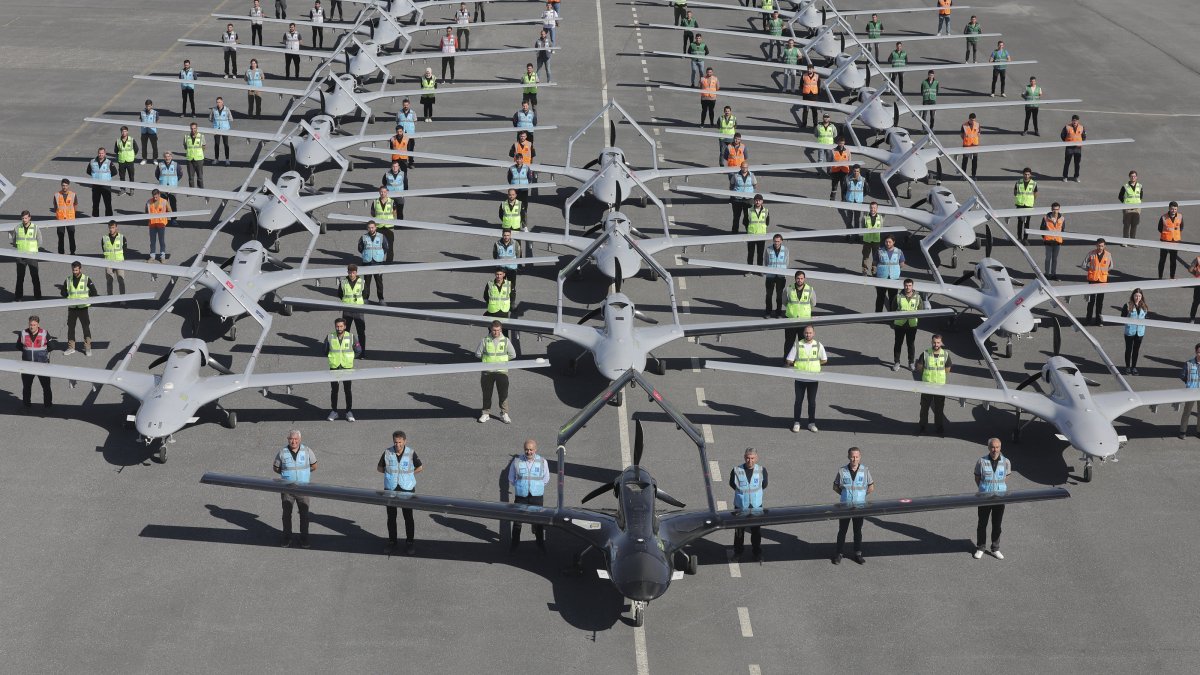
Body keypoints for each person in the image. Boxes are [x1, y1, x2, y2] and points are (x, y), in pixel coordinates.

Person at [377, 430, 423, 554]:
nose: (397, 445)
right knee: (391, 517)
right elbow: (380, 468)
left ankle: (410, 543)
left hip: (407, 489)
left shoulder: (411, 453)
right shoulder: (387, 452)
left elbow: (420, 467)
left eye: (400, 442)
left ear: (405, 441)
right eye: (395, 442)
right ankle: (392, 541)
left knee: (408, 517)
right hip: (391, 489)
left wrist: (408, 476)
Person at [273, 429, 317, 548]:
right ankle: (287, 538)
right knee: (286, 515)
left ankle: (304, 538)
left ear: (300, 440)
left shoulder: (307, 451)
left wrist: (304, 474)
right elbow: (276, 468)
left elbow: (314, 466)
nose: (293, 441)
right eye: (291, 439)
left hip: (304, 490)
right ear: (288, 440)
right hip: (287, 490)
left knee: (304, 515)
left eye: (296, 439)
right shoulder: (282, 452)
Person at [831, 447, 873, 565]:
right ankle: (839, 554)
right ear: (848, 457)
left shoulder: (865, 471)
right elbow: (835, 487)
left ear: (860, 457)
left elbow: (871, 487)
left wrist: (861, 497)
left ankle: (858, 553)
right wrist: (845, 496)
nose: (854, 459)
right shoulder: (842, 471)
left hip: (859, 507)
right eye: (852, 456)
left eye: (857, 457)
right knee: (842, 531)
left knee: (857, 531)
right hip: (845, 507)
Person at [508, 439, 550, 553]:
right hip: (521, 496)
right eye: (526, 449)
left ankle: (540, 544)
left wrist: (536, 487)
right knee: (517, 522)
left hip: (536, 496)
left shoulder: (542, 461)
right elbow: (511, 478)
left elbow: (546, 479)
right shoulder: (517, 461)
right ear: (524, 449)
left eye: (531, 449)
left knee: (539, 521)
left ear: (535, 449)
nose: (529, 452)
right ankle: (514, 544)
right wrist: (521, 486)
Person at [973, 437, 1009, 560]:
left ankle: (995, 548)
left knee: (997, 525)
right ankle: (980, 548)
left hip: (999, 498)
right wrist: (984, 489)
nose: (995, 449)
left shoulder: (1006, 462)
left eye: (997, 447)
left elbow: (1005, 478)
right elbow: (977, 477)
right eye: (993, 447)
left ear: (1000, 448)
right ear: (989, 448)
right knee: (982, 524)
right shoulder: (981, 461)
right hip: (984, 498)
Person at [786, 325, 827, 433]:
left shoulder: (818, 345)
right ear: (803, 333)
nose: (808, 334)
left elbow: (824, 360)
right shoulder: (798, 345)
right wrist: (797, 365)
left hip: (813, 379)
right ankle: (796, 422)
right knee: (798, 401)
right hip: (800, 378)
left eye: (810, 333)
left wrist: (814, 365)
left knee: (812, 402)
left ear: (814, 333)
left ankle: (811, 423)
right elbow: (789, 360)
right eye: (806, 333)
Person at [730, 448, 767, 561]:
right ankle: (738, 553)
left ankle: (757, 553)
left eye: (752, 458)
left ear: (756, 458)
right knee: (739, 532)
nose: (749, 460)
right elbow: (732, 484)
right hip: (741, 507)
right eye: (747, 458)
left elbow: (764, 484)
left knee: (756, 532)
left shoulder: (761, 470)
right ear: (744, 457)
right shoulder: (736, 470)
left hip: (756, 507)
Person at [476, 320, 515, 423]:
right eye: (494, 330)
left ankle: (504, 413)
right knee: (486, 394)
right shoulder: (484, 340)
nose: (496, 332)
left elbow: (513, 354)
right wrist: (487, 360)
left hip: (502, 372)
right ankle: (485, 413)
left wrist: (503, 362)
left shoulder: (506, 341)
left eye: (498, 330)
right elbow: (478, 354)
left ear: (501, 330)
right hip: (487, 372)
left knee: (503, 394)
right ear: (490, 329)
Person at [323, 317, 361, 422]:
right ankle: (334, 411)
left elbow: (358, 350)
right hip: (334, 367)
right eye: (337, 326)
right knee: (334, 390)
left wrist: (350, 358)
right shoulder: (330, 337)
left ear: (345, 326)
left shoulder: (351, 337)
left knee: (347, 390)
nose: (339, 328)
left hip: (347, 368)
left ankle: (349, 412)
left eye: (341, 326)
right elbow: (325, 350)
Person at [915, 334, 952, 436]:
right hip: (927, 387)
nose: (936, 344)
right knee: (924, 408)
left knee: (939, 409)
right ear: (931, 342)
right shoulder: (925, 354)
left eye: (938, 342)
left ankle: (939, 427)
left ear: (941, 343)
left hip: (940, 387)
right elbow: (919, 368)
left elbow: (948, 369)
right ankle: (923, 427)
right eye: (934, 342)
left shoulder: (945, 355)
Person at [60, 261, 98, 357]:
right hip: (72, 308)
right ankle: (71, 347)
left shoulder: (86, 279)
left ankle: (87, 347)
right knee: (71, 328)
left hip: (83, 308)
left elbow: (94, 292)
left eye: (76, 270)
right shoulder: (68, 279)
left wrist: (85, 298)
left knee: (85, 328)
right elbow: (63, 292)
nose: (75, 271)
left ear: (80, 269)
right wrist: (68, 297)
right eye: (73, 270)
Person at [17, 315, 53, 411]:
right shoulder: (23, 333)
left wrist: (41, 355)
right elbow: (18, 346)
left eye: (34, 325)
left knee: (46, 387)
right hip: (27, 366)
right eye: (30, 324)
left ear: (38, 325)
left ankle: (48, 405)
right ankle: (26, 405)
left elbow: (51, 347)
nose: (32, 327)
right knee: (26, 387)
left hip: (42, 365)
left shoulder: (44, 333)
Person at [11, 211, 43, 301]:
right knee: (20, 277)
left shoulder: (35, 228)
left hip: (32, 256)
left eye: (25, 218)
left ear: (29, 218)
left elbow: (40, 241)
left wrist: (33, 250)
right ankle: (18, 297)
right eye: (23, 218)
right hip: (20, 256)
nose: (24, 220)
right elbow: (14, 241)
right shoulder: (17, 228)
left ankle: (38, 296)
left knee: (35, 277)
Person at [891, 278, 921, 371]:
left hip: (912, 325)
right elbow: (893, 309)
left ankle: (911, 363)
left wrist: (917, 321)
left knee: (911, 344)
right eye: (906, 285)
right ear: (903, 286)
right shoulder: (898, 297)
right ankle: (896, 362)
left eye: (909, 285)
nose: (908, 287)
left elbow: (921, 310)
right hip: (900, 324)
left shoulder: (918, 297)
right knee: (898, 344)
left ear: (912, 286)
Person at [782, 270, 813, 355]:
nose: (800, 280)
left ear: (804, 279)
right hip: (790, 320)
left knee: (803, 343)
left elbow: (813, 303)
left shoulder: (810, 290)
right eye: (798, 278)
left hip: (804, 321)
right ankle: (787, 361)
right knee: (789, 342)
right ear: (795, 279)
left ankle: (802, 361)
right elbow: (784, 301)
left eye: (801, 278)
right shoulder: (788, 289)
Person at [1083, 238, 1113, 325]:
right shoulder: (1091, 253)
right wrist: (1090, 270)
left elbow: (1111, 266)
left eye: (1102, 246)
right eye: (1099, 246)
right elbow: (1084, 264)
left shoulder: (1108, 255)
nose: (1100, 247)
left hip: (1102, 281)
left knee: (1100, 302)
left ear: (1105, 246)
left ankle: (1098, 321)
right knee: (1090, 301)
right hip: (1092, 280)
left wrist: (1104, 272)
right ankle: (1088, 320)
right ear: (1096, 245)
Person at [872, 235, 905, 312]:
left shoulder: (899, 251)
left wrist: (894, 270)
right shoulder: (879, 251)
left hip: (894, 279)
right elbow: (875, 262)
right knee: (880, 297)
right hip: (881, 278)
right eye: (886, 241)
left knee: (893, 298)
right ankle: (878, 315)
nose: (888, 243)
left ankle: (891, 316)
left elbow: (902, 263)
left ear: (893, 242)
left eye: (889, 242)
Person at [340, 264, 367, 357]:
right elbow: (340, 293)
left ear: (356, 272)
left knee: (361, 332)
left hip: (358, 310)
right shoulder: (343, 282)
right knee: (345, 332)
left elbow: (365, 294)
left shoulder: (361, 282)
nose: (352, 274)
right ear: (347, 272)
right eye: (350, 272)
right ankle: (345, 351)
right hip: (347, 310)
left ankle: (362, 352)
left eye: (353, 272)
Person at [358, 220, 388, 302]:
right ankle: (366, 298)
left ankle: (381, 299)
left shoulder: (381, 237)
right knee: (366, 283)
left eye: (372, 227)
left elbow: (385, 248)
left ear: (375, 227)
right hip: (367, 262)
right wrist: (367, 254)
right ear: (367, 228)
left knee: (379, 282)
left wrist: (379, 255)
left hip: (378, 263)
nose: (371, 229)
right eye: (369, 228)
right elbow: (360, 248)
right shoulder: (363, 237)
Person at [1120, 289, 1148, 374]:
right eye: (1136, 296)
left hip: (1140, 332)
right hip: (1130, 331)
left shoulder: (1144, 306)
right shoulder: (1127, 305)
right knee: (1128, 349)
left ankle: (1134, 367)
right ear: (1133, 296)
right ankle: (1128, 367)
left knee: (1136, 350)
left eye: (1139, 296)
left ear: (1141, 297)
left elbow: (1145, 317)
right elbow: (1122, 317)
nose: (1137, 298)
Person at [51, 179, 79, 255]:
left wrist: (73, 214)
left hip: (70, 219)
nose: (64, 187)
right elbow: (55, 206)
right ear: (61, 185)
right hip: (60, 219)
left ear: (68, 186)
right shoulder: (56, 195)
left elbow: (75, 205)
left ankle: (72, 251)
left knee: (71, 236)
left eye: (66, 185)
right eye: (63, 185)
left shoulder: (73, 194)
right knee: (60, 237)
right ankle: (61, 252)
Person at [85, 148, 115, 218]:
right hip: (96, 186)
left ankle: (109, 218)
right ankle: (95, 217)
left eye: (102, 153)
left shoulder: (109, 162)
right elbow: (88, 171)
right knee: (95, 203)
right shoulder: (92, 162)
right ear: (97, 153)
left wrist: (106, 178)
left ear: (105, 154)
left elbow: (114, 172)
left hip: (106, 186)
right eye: (99, 153)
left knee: (107, 203)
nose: (100, 155)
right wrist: (95, 176)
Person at [1157, 202, 1184, 279]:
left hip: (1175, 242)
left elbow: (1181, 227)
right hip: (1165, 241)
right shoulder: (1163, 217)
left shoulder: (1180, 216)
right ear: (1169, 208)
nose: (1173, 210)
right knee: (1162, 260)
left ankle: (1172, 277)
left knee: (1173, 261)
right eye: (1172, 209)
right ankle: (1160, 277)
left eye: (1175, 209)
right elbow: (1159, 228)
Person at [764, 234, 787, 318]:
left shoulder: (785, 250)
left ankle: (778, 312)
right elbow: (766, 261)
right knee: (769, 295)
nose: (776, 243)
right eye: (775, 241)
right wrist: (767, 271)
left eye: (778, 241)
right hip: (770, 276)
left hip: (781, 276)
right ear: (773, 241)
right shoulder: (768, 249)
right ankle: (768, 312)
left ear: (781, 241)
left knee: (779, 295)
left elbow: (786, 262)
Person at [101, 220, 127, 295]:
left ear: (116, 227)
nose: (111, 229)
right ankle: (110, 298)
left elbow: (125, 250)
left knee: (121, 281)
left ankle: (122, 299)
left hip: (119, 263)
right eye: (110, 227)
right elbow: (104, 250)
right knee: (109, 281)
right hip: (109, 263)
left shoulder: (122, 238)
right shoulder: (104, 238)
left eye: (113, 227)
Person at [729, 164, 757, 233]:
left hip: (748, 199)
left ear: (748, 168)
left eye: (746, 167)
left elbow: (755, 185)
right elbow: (731, 185)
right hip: (737, 199)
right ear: (740, 167)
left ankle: (748, 230)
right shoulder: (735, 175)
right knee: (736, 217)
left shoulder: (752, 175)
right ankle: (734, 231)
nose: (744, 169)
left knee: (748, 216)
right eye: (743, 167)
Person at [155, 150, 181, 225]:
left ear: (171, 157)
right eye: (166, 157)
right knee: (163, 205)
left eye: (169, 156)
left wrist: (175, 181)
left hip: (173, 188)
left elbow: (180, 174)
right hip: (163, 188)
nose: (167, 158)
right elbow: (157, 174)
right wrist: (162, 181)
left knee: (173, 204)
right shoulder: (160, 164)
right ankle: (164, 219)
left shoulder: (176, 165)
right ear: (164, 157)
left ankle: (173, 219)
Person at [1180, 343, 1200, 438]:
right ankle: (1182, 431)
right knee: (1187, 412)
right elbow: (1183, 375)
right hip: (1191, 392)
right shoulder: (1189, 363)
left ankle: (1199, 431)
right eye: (1199, 352)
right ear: (1196, 352)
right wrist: (1189, 384)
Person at [146, 189, 171, 262]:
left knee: (162, 241)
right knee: (152, 242)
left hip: (161, 224)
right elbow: (146, 211)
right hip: (152, 225)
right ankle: (152, 256)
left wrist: (165, 213)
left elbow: (170, 210)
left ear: (159, 195)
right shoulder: (148, 202)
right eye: (154, 197)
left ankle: (162, 257)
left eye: (156, 197)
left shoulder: (164, 202)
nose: (155, 198)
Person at [1012, 167, 1037, 241]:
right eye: (1025, 174)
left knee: (1027, 223)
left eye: (1028, 174)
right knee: (1020, 222)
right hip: (1020, 204)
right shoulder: (1018, 182)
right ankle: (1019, 238)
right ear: (1023, 174)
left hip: (1029, 205)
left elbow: (1035, 194)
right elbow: (1015, 192)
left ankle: (1025, 239)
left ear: (1030, 175)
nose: (1026, 176)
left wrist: (1031, 201)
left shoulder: (1033, 183)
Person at [506, 155, 535, 220]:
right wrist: (513, 185)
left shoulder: (526, 168)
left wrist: (526, 184)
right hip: (515, 191)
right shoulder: (511, 168)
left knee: (524, 207)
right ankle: (515, 222)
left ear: (522, 159)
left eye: (520, 159)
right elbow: (509, 178)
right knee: (515, 207)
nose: (519, 160)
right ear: (515, 160)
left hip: (524, 190)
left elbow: (530, 178)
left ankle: (524, 224)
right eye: (517, 159)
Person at [1041, 202, 1065, 280]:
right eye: (1054, 209)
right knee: (1048, 258)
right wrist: (1045, 237)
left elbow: (1063, 229)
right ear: (1051, 209)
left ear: (1059, 209)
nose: (1055, 211)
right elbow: (1042, 229)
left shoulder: (1062, 218)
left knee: (1055, 259)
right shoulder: (1045, 218)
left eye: (1057, 209)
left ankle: (1053, 274)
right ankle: (1046, 274)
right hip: (1048, 241)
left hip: (1057, 242)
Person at [1119, 170, 1143, 240]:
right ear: (1129, 177)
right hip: (1127, 208)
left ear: (1136, 177)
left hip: (1137, 209)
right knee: (1126, 225)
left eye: (1134, 176)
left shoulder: (1140, 186)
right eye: (1131, 176)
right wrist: (1125, 203)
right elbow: (1120, 196)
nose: (1133, 178)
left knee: (1134, 225)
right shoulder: (1125, 186)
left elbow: (1141, 196)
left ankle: (1132, 241)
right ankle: (1125, 241)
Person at [745, 194, 768, 267]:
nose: (757, 202)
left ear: (762, 201)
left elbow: (767, 222)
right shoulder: (749, 210)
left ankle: (759, 269)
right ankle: (749, 269)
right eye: (756, 200)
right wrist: (750, 230)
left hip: (761, 236)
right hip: (751, 235)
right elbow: (745, 222)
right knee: (750, 253)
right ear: (754, 201)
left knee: (760, 253)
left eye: (759, 200)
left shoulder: (766, 211)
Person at [209, 97, 233, 166]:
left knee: (226, 144)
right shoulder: (214, 109)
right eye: (217, 102)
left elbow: (231, 118)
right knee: (216, 144)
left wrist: (225, 124)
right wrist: (215, 124)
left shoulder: (226, 109)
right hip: (216, 129)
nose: (218, 103)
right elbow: (210, 118)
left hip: (225, 129)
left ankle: (227, 159)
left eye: (219, 102)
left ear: (222, 102)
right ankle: (216, 159)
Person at [1060, 115, 1085, 181]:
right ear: (1072, 120)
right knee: (1067, 162)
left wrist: (1079, 142)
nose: (1075, 122)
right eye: (1074, 120)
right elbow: (1062, 135)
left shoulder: (1081, 127)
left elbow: (1084, 136)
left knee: (1077, 163)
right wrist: (1067, 142)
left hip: (1078, 148)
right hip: (1069, 148)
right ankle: (1065, 176)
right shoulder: (1067, 127)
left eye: (1076, 120)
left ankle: (1076, 176)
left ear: (1078, 121)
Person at [861, 201, 883, 275]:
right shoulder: (865, 217)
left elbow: (881, 227)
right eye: (871, 207)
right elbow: (862, 227)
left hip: (876, 240)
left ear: (877, 209)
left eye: (874, 208)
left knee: (875, 256)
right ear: (869, 208)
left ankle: (874, 270)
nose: (872, 209)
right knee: (865, 256)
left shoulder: (880, 218)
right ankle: (864, 270)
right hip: (867, 240)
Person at [113, 126, 138, 190]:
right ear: (121, 132)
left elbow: (136, 149)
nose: (124, 133)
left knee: (131, 176)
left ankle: (132, 189)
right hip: (121, 161)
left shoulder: (132, 140)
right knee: (122, 177)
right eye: (122, 131)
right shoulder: (118, 141)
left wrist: (132, 155)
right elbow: (116, 150)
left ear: (127, 132)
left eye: (125, 131)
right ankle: (122, 189)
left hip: (130, 161)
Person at [842, 165, 866, 229]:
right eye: (855, 171)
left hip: (858, 202)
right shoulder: (847, 179)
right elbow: (844, 190)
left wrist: (861, 196)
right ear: (852, 171)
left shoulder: (863, 180)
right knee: (849, 219)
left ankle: (856, 235)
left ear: (859, 171)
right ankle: (848, 234)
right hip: (850, 201)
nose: (856, 172)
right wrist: (845, 199)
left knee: (857, 220)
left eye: (857, 171)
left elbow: (866, 190)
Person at [184, 122, 206, 188]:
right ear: (190, 128)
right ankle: (191, 191)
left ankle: (200, 190)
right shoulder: (186, 137)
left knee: (200, 177)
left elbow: (203, 146)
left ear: (197, 128)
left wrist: (198, 153)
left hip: (199, 159)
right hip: (190, 159)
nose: (193, 130)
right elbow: (185, 146)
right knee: (190, 177)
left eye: (194, 128)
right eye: (192, 128)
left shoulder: (201, 136)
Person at [138, 100, 159, 166]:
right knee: (144, 146)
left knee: (154, 146)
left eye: (149, 106)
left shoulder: (155, 113)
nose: (148, 107)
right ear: (145, 106)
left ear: (152, 106)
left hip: (152, 132)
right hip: (144, 131)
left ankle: (155, 159)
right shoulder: (142, 112)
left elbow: (157, 120)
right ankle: (144, 159)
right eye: (147, 106)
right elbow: (141, 120)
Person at [959, 113, 980, 179]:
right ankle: (963, 175)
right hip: (967, 145)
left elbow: (978, 134)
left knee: (975, 161)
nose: (973, 122)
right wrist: (966, 140)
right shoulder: (964, 125)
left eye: (974, 120)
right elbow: (962, 135)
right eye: (971, 120)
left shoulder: (977, 125)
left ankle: (973, 175)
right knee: (965, 161)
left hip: (975, 145)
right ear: (969, 119)